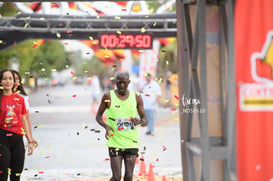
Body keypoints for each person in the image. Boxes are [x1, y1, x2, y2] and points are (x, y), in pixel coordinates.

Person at [96, 71, 147, 181]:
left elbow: (145, 120)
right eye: (119, 83)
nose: (122, 85)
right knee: (116, 177)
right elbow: (98, 116)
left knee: (128, 176)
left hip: (131, 142)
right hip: (115, 142)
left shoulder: (136, 96)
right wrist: (106, 127)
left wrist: (140, 121)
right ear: (115, 82)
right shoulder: (108, 96)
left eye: (124, 83)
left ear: (129, 82)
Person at [0, 69, 35, 181]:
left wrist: (30, 141)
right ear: (0, 81)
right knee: (2, 174)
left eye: (10, 78)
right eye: (4, 79)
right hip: (2, 140)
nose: (8, 81)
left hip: (18, 140)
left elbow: (24, 119)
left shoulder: (20, 100)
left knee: (16, 174)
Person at [12, 69, 38, 148]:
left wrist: (30, 138)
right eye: (12, 79)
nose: (14, 81)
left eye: (16, 79)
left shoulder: (23, 98)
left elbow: (26, 118)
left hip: (19, 135)